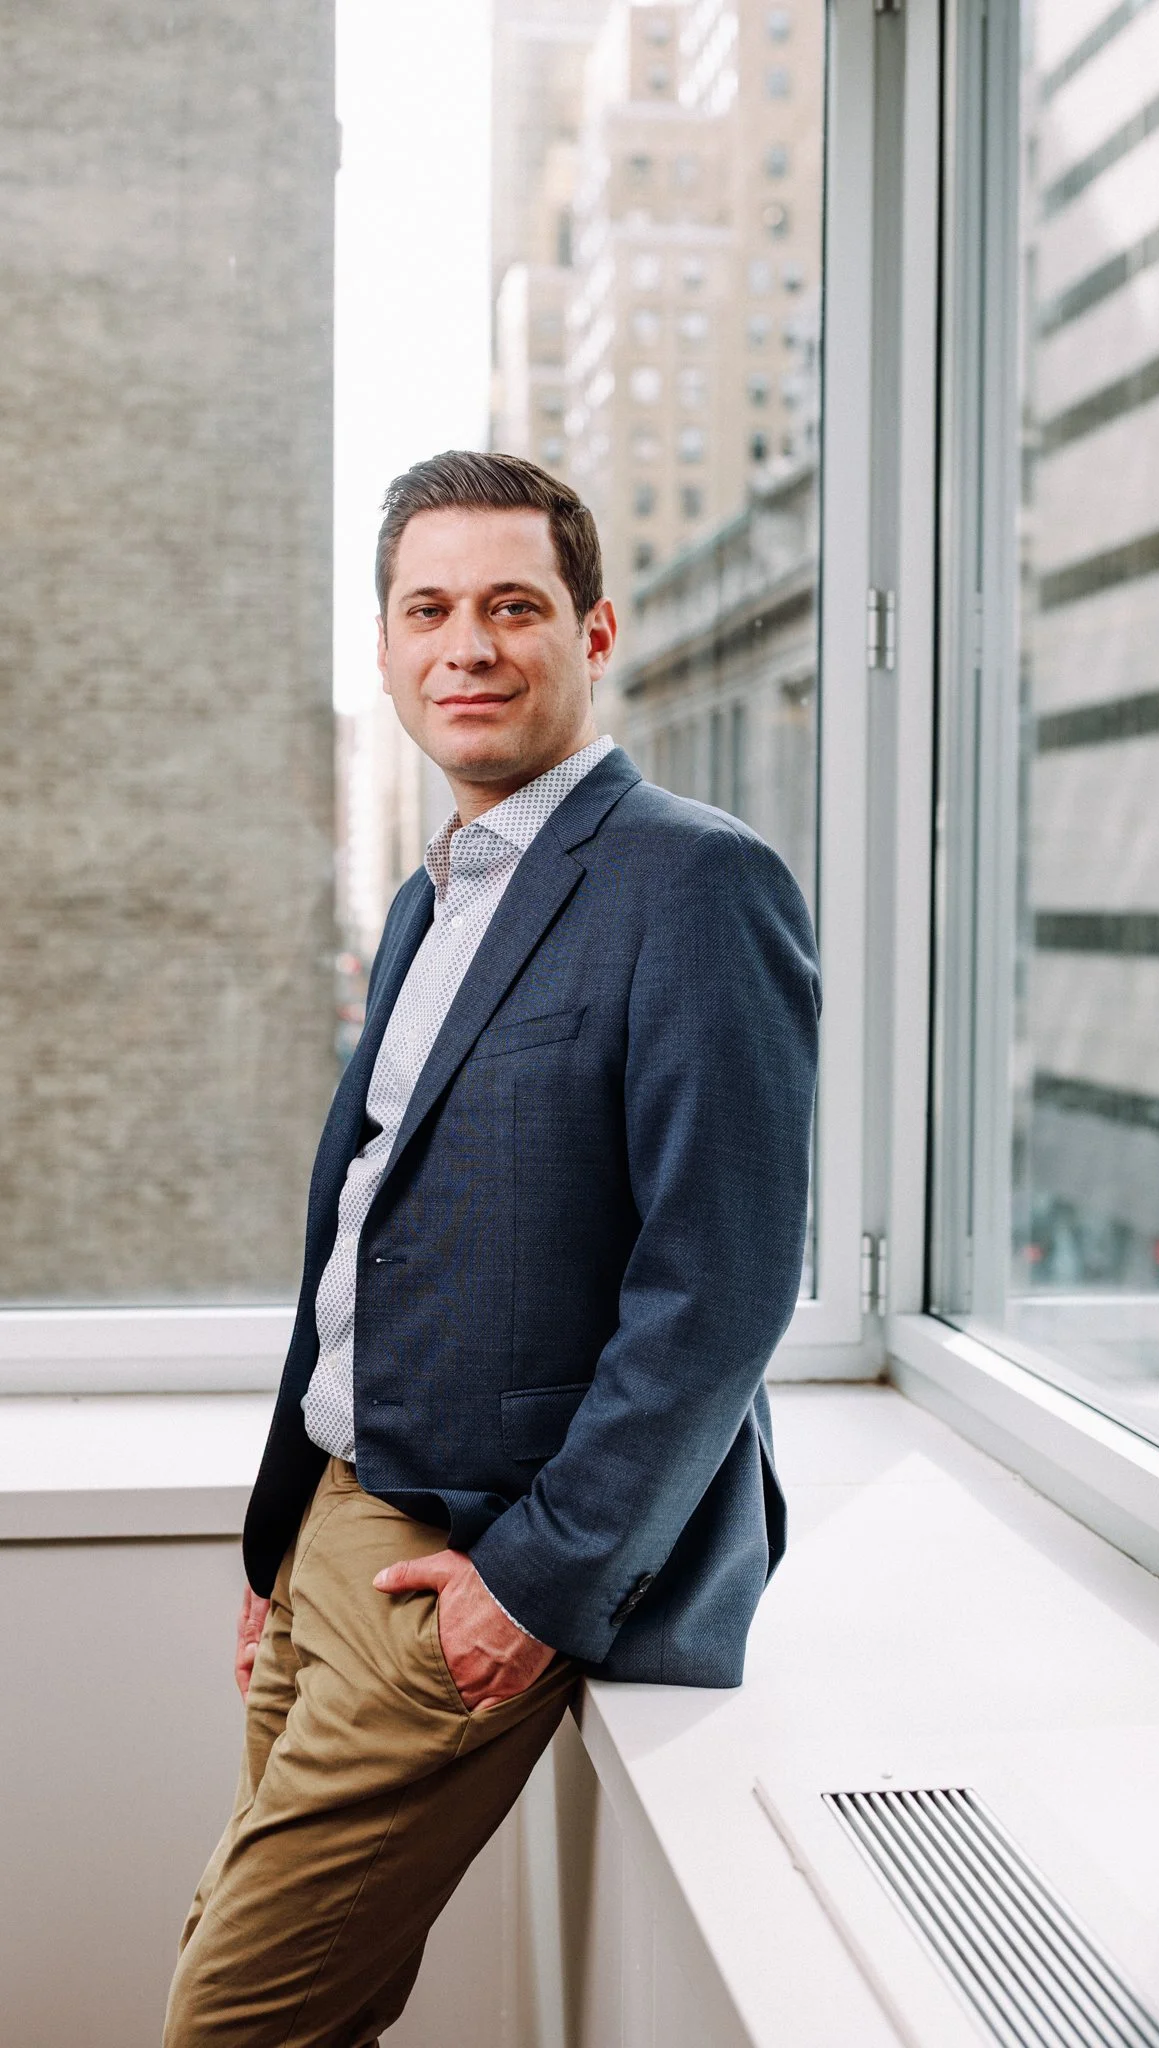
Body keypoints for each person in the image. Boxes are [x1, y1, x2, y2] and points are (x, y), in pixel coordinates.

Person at [164, 450, 820, 2047]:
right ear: (386, 650)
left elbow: (718, 1285)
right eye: (429, 609)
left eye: (513, 606)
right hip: (331, 1529)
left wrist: (535, 1581)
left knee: (229, 2020)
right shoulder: (427, 899)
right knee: (272, 1982)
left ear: (593, 636)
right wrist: (282, 1542)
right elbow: (371, 1232)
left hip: (468, 1555)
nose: (468, 644)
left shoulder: (693, 881)